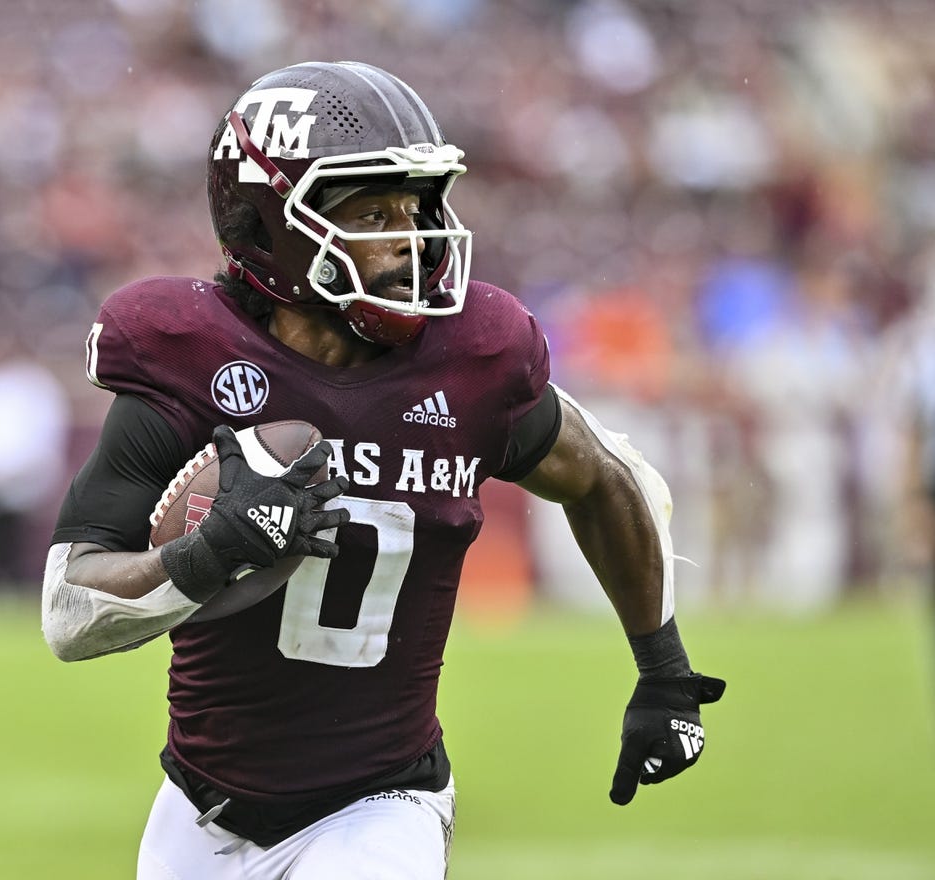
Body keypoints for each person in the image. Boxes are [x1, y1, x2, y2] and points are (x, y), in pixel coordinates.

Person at [41, 60, 725, 880]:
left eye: (420, 207)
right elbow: (70, 611)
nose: (410, 240)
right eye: (372, 213)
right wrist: (209, 554)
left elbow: (606, 477)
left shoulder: (473, 356)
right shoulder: (187, 355)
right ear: (267, 225)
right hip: (199, 805)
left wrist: (664, 673)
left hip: (380, 803)